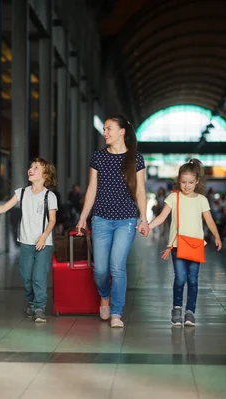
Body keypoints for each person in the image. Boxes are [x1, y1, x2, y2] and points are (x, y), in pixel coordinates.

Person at [76, 115, 149, 328]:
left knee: (117, 267)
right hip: (101, 219)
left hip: (126, 219)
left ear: (122, 131)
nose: (105, 133)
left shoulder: (135, 159)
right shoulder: (98, 157)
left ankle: (116, 311)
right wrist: (83, 218)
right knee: (100, 269)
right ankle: (104, 295)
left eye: (109, 128)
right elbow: (92, 189)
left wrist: (144, 219)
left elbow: (141, 191)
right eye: (104, 129)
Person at [143, 159, 222, 327]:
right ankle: (177, 308)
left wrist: (216, 235)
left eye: (191, 182)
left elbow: (209, 220)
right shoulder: (173, 197)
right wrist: (148, 226)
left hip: (196, 245)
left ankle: (190, 312)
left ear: (197, 181)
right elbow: (162, 217)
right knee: (180, 278)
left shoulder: (202, 200)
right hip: (177, 245)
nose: (187, 186)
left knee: (193, 279)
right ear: (179, 180)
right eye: (184, 182)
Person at [0, 158, 58, 322]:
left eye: (36, 168)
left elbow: (52, 220)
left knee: (39, 276)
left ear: (45, 174)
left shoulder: (49, 196)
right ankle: (32, 302)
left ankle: (39, 307)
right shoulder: (22, 192)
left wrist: (44, 235)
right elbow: (4, 207)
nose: (31, 169)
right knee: (26, 276)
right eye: (30, 167)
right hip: (26, 242)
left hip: (44, 243)